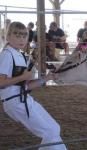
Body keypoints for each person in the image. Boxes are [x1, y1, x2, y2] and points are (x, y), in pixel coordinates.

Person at [0, 22, 67, 150]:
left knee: (54, 129)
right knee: (50, 131)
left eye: (24, 36)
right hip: (14, 102)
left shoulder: (19, 55)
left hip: (22, 99)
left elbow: (26, 86)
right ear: (8, 37)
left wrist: (47, 78)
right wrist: (23, 77)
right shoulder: (7, 55)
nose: (22, 39)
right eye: (17, 36)